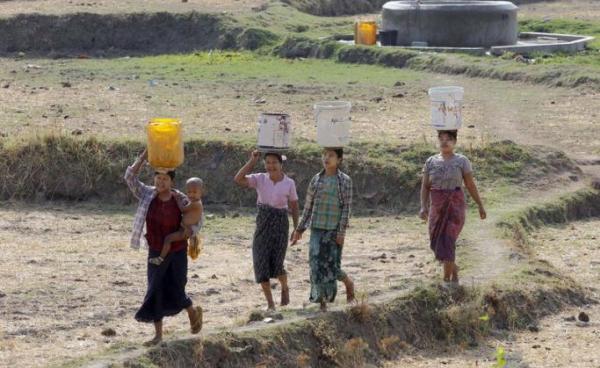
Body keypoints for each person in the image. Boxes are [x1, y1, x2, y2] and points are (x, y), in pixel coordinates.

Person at [124, 149, 202, 346]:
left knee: (177, 287)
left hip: (176, 252)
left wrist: (190, 231)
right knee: (155, 290)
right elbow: (130, 177)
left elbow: (198, 219)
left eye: (165, 179)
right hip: (155, 251)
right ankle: (158, 336)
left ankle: (192, 310)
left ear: (172, 182)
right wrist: (143, 157)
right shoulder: (146, 194)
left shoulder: (180, 199)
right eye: (157, 178)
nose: (160, 183)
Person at [234, 150, 300, 311]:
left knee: (277, 264)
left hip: (280, 224)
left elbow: (294, 206)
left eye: (274, 162)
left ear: (281, 164)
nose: (271, 166)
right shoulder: (260, 179)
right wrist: (252, 161)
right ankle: (270, 303)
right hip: (263, 223)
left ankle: (284, 286)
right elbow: (238, 179)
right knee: (260, 262)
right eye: (268, 162)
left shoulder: (289, 183)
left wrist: (296, 228)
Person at [291, 148, 355, 312]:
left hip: (333, 230)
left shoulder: (345, 181)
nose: (326, 158)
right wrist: (299, 230)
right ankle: (322, 302)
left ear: (339, 160)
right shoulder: (316, 180)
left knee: (332, 266)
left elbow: (346, 209)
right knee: (315, 264)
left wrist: (341, 232)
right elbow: (308, 207)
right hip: (317, 229)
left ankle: (348, 283)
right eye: (324, 155)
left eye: (331, 155)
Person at [419, 130, 487, 284]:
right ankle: (454, 268)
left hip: (455, 206)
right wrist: (423, 206)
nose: (444, 142)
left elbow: (469, 184)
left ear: (455, 142)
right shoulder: (430, 162)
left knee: (448, 242)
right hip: (436, 207)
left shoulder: (462, 161)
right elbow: (425, 186)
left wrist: (480, 205)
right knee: (435, 243)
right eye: (441, 139)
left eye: (448, 139)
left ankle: (446, 281)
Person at [151, 177, 205, 265]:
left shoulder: (196, 203)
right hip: (185, 227)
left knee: (168, 239)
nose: (191, 195)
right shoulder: (194, 201)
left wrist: (177, 198)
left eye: (194, 192)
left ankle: (160, 259)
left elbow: (182, 209)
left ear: (201, 192)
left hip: (187, 230)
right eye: (189, 192)